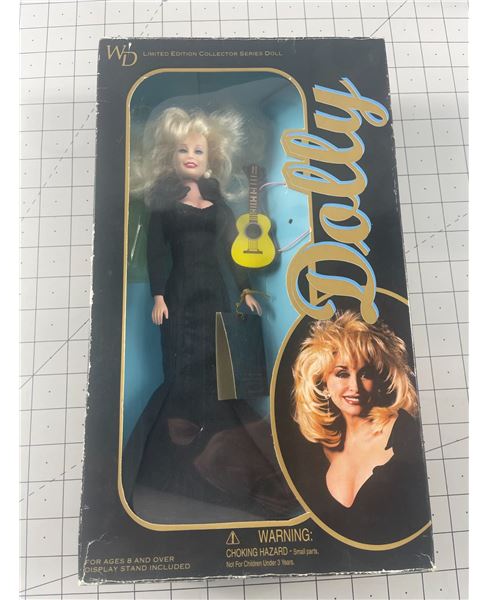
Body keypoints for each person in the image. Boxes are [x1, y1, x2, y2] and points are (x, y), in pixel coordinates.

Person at [126, 107, 296, 522]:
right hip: (180, 295)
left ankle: (226, 460)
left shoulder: (218, 202)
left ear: (211, 157)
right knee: (182, 371)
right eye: (183, 150)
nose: (190, 156)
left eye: (198, 150)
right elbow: (156, 252)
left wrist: (245, 289)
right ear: (170, 155)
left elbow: (234, 250)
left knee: (219, 370)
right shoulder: (164, 205)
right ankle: (168, 466)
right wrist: (159, 296)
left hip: (215, 295)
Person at [291, 311, 431, 545]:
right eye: (342, 374)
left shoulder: (405, 433)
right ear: (323, 384)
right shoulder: (317, 452)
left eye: (365, 374)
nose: (354, 387)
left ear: (378, 381)